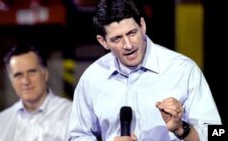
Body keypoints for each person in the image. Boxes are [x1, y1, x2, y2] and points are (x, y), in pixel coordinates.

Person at [67, 0, 222, 141]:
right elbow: (76, 136)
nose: (128, 45)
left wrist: (182, 128)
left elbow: (217, 133)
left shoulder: (182, 69)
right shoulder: (92, 78)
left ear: (142, 26)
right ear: (103, 42)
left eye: (132, 33)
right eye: (117, 39)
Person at [0, 43, 72, 141]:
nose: (25, 81)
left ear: (46, 74)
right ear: (11, 81)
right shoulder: (1, 122)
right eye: (18, 75)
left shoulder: (71, 114)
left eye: (31, 72)